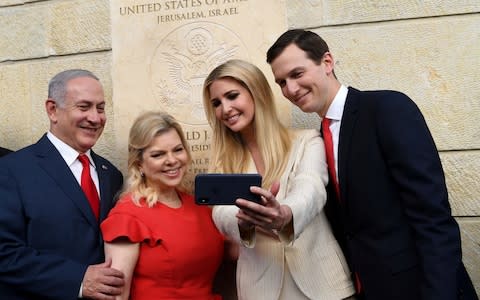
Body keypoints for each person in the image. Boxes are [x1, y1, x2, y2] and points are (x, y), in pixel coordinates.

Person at [266, 29, 478, 300]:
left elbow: (433, 218)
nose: (291, 90)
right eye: (281, 82)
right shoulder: (319, 139)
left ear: (327, 63)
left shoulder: (387, 108)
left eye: (297, 74)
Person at [202, 59, 355, 300]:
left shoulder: (307, 140)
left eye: (232, 96)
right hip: (260, 289)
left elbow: (312, 187)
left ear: (256, 92)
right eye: (216, 103)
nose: (225, 109)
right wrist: (243, 221)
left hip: (323, 284)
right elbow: (221, 213)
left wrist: (285, 214)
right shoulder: (223, 161)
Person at [0, 69, 125, 299]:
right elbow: (4, 252)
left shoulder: (111, 174)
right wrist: (77, 279)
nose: (96, 118)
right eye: (84, 106)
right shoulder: (11, 171)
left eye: (101, 108)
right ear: (52, 110)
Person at [100, 111, 225, 300]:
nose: (172, 160)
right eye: (158, 154)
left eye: (178, 150)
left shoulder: (198, 206)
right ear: (139, 164)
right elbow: (117, 296)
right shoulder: (127, 216)